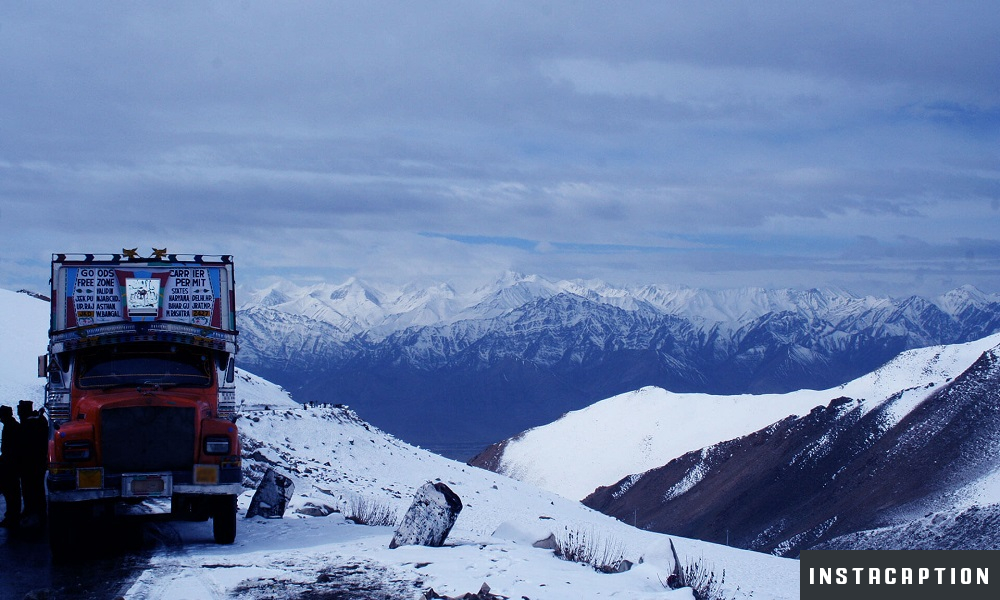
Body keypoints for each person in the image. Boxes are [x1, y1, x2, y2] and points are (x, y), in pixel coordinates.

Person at [16, 401, 48, 527]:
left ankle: (35, 511)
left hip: (31, 463)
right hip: (35, 462)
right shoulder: (38, 421)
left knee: (31, 488)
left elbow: (24, 445)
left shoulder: (30, 424)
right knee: (35, 488)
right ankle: (37, 511)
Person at [0, 405, 21, 528]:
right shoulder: (12, 426)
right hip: (11, 464)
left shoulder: (10, 427)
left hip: (10, 465)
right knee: (12, 492)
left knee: (11, 492)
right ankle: (13, 515)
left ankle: (12, 516)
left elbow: (10, 449)